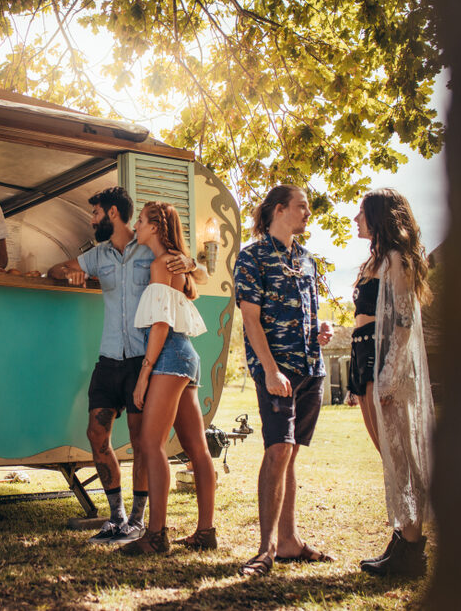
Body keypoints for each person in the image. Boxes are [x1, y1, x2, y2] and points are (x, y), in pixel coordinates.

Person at [48, 187, 204, 545]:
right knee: (96, 434)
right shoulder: (97, 255)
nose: (92, 220)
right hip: (108, 358)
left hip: (142, 359)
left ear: (113, 213)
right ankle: (116, 517)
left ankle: (138, 519)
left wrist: (194, 263)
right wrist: (66, 274)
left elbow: (187, 266)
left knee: (141, 442)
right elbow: (57, 268)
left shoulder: (149, 248)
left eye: (96, 213)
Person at [233, 184, 334, 578]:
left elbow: (309, 312)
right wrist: (271, 370)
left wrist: (321, 331)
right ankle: (265, 549)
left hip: (312, 369)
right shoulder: (252, 256)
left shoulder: (307, 259)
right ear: (279, 210)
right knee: (277, 450)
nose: (307, 213)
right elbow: (250, 318)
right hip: (278, 370)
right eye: (301, 207)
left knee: (290, 452)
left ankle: (290, 541)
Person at [119, 202, 216, 555]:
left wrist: (145, 373)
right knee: (197, 448)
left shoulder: (163, 263)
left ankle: (156, 535)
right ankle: (206, 532)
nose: (136, 225)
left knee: (150, 442)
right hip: (185, 356)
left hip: (168, 356)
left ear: (156, 227)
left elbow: (160, 322)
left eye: (141, 221)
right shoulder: (175, 262)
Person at [348, 188, 434, 577]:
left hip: (386, 362)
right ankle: (402, 536)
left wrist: (389, 376)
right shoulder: (376, 261)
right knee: (388, 455)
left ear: (379, 216)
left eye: (361, 214)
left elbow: (402, 324)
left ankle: (413, 548)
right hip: (365, 356)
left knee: (400, 454)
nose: (355, 221)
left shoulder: (398, 260)